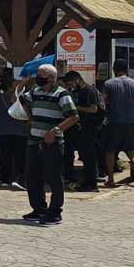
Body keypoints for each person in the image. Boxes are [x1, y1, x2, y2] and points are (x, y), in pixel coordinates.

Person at [19, 63, 79, 225]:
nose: (38, 79)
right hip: (34, 140)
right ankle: (39, 209)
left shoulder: (62, 94)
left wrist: (55, 130)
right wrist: (31, 117)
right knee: (32, 177)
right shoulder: (35, 91)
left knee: (53, 178)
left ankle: (55, 212)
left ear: (52, 78)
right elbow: (20, 100)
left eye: (41, 76)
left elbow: (73, 117)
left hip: (52, 143)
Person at [101, 59, 134, 187]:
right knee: (131, 148)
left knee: (110, 150)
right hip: (131, 123)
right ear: (127, 69)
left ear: (114, 69)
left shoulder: (108, 84)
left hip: (113, 123)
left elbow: (102, 103)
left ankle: (111, 180)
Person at [63, 71, 101, 191]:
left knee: (89, 156)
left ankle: (91, 182)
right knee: (84, 156)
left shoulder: (89, 91)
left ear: (77, 80)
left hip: (89, 129)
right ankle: (86, 181)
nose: (71, 86)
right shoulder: (76, 92)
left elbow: (94, 109)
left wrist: (76, 107)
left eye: (71, 83)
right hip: (80, 130)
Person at [0, 72, 27, 191]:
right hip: (18, 130)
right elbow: (20, 88)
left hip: (3, 130)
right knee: (18, 156)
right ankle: (17, 178)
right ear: (11, 86)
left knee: (5, 156)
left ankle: (5, 179)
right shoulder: (15, 95)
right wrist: (27, 79)